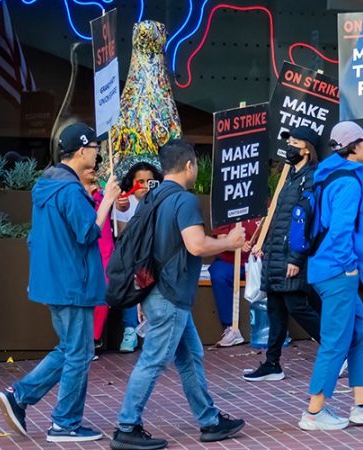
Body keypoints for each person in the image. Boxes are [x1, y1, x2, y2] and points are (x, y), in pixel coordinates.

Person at [110, 140, 245, 450]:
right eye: (195, 165)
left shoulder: (152, 197)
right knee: (154, 361)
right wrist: (228, 241)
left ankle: (209, 420)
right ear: (188, 166)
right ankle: (126, 426)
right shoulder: (184, 201)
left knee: (190, 356)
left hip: (155, 290)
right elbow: (196, 244)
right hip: (171, 295)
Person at [0, 123, 120, 442]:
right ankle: (64, 422)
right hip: (72, 283)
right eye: (95, 147)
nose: (98, 152)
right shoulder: (68, 189)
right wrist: (106, 200)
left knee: (69, 349)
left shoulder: (48, 184)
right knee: (78, 353)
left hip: (54, 283)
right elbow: (88, 232)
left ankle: (18, 397)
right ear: (81, 151)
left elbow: (46, 234)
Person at [298, 121, 363, 431]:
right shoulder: (349, 183)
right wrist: (349, 266)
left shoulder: (330, 176)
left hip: (325, 268)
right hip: (337, 270)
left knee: (362, 332)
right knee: (335, 342)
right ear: (354, 147)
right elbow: (341, 230)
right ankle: (314, 412)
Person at [243, 126, 324, 381]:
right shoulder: (291, 177)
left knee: (297, 306)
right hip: (276, 254)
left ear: (306, 148)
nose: (289, 146)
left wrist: (295, 258)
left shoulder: (311, 178)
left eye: (295, 141)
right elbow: (281, 218)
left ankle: (338, 350)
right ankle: (272, 363)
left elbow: (304, 220)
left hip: (290, 256)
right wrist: (265, 245)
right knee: (276, 309)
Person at [113, 161, 163, 353]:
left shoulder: (161, 201)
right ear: (131, 182)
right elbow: (123, 237)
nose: (143, 186)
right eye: (139, 181)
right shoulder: (125, 201)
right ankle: (130, 330)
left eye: (149, 181)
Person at [79, 154, 114, 358]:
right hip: (86, 248)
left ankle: (94, 339)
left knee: (103, 293)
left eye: (94, 166)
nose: (93, 169)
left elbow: (121, 206)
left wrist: (120, 203)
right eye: (88, 166)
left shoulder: (104, 190)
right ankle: (82, 341)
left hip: (105, 248)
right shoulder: (74, 193)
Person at [208, 218, 257, 347]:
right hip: (229, 261)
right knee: (219, 276)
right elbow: (221, 239)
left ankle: (276, 328)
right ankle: (231, 328)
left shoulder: (263, 204)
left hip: (257, 260)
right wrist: (239, 245)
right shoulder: (228, 204)